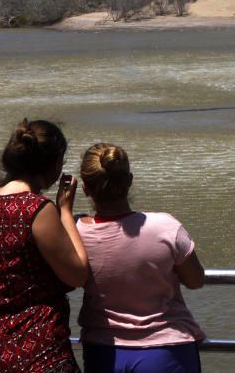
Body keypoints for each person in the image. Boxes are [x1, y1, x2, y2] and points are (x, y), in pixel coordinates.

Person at [0, 119, 88, 373]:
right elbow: (78, 274)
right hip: (38, 352)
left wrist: (1, 295)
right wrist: (66, 212)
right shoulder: (37, 209)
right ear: (53, 164)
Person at [76, 142, 205, 373]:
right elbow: (195, 280)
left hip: (104, 351)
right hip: (166, 348)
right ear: (129, 181)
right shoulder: (165, 226)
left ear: (85, 187)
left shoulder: (76, 234)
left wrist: (64, 211)